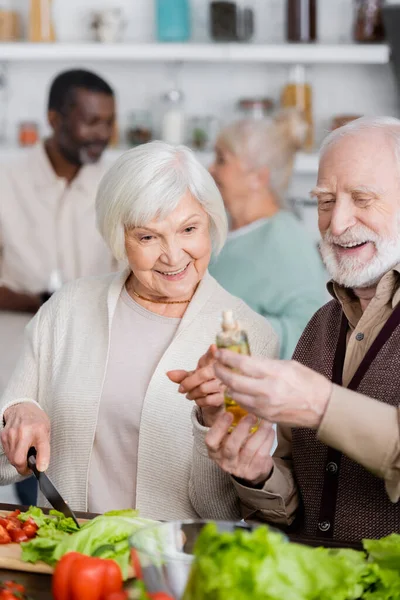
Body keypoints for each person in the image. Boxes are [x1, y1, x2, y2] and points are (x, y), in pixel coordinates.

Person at [0, 141, 278, 520]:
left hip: (172, 566)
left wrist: (211, 423)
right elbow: (3, 465)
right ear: (119, 237)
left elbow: (225, 511)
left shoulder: (250, 337)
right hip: (68, 560)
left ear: (210, 224)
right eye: (148, 237)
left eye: (189, 229)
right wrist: (18, 412)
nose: (174, 255)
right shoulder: (68, 308)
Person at [202, 116, 400, 542]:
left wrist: (322, 404)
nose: (338, 222)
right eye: (325, 202)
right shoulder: (321, 326)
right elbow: (292, 512)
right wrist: (258, 474)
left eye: (362, 199)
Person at [0, 69, 117, 505]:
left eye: (108, 122)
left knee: (69, 491)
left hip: (86, 366)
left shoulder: (114, 185)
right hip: (11, 359)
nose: (101, 134)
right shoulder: (7, 181)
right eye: (90, 121)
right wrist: (35, 301)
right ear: (54, 118)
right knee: (14, 482)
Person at [208, 111, 326, 359]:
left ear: (258, 177)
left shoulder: (286, 241)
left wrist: (225, 332)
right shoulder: (219, 228)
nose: (211, 169)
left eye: (221, 159)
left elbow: (308, 334)